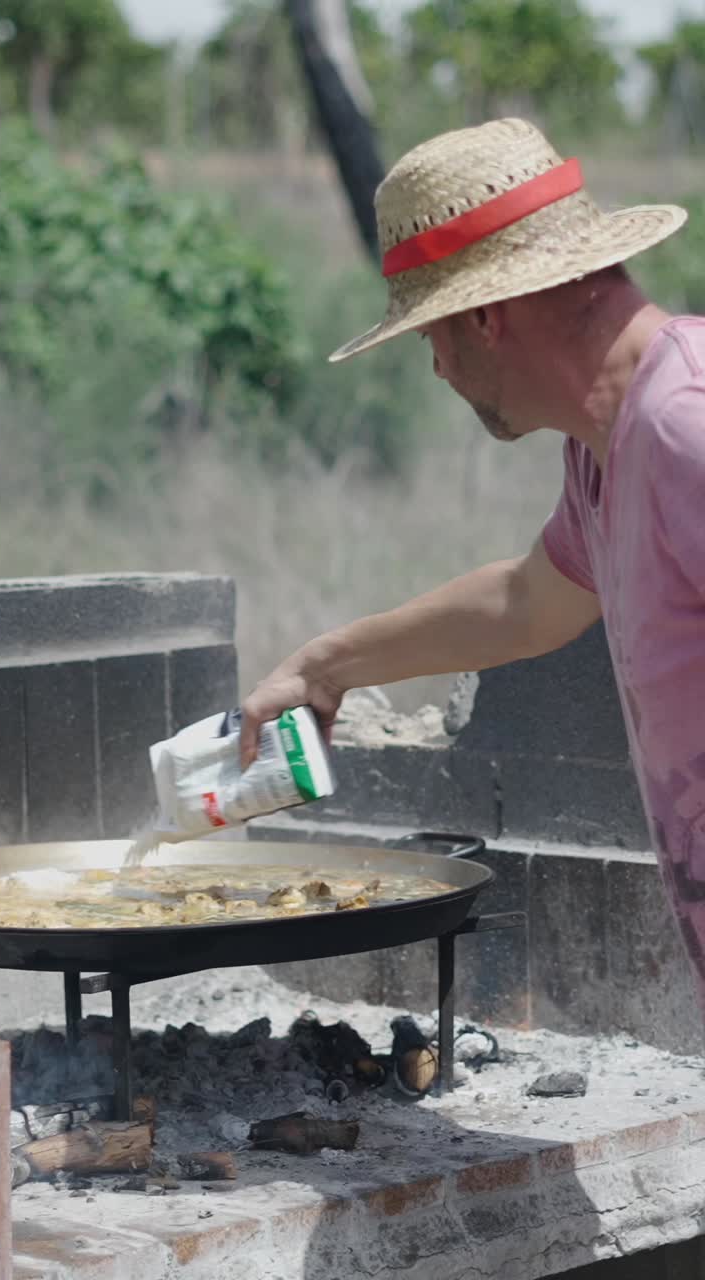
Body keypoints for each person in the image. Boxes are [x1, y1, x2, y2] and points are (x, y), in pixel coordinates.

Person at [241, 117, 705, 1000]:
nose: (439, 370)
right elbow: (528, 602)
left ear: (486, 317)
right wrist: (324, 665)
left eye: (430, 337)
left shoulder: (685, 426)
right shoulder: (605, 448)